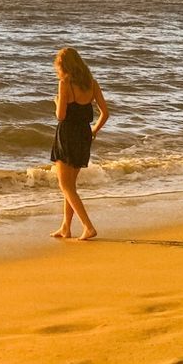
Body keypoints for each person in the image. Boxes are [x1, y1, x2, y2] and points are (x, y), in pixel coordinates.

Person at [49, 46, 109, 240]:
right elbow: (105, 113)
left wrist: (57, 102)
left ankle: (88, 226)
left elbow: (61, 116)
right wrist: (93, 131)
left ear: (64, 65)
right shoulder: (91, 83)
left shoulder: (65, 82)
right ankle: (66, 227)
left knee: (65, 186)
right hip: (84, 134)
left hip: (67, 134)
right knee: (71, 186)